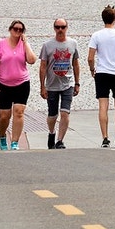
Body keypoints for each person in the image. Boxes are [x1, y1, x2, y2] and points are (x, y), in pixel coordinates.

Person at [87, 5, 115, 147]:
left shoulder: (96, 35)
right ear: (114, 19)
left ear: (103, 19)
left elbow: (90, 57)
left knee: (103, 105)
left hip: (102, 72)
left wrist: (92, 69)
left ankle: (105, 138)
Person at [0, 20, 35, 151]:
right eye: (15, 29)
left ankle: (15, 142)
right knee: (4, 116)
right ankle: (2, 135)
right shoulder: (1, 44)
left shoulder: (23, 45)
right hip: (4, 85)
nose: (18, 32)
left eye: (21, 30)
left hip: (22, 84)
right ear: (10, 29)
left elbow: (32, 60)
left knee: (19, 112)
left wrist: (25, 43)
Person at [38, 17, 80, 150]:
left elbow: (76, 64)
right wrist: (42, 86)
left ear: (67, 28)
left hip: (68, 84)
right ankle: (52, 132)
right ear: (54, 28)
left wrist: (77, 83)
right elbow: (43, 66)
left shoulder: (73, 43)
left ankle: (60, 140)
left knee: (65, 112)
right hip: (52, 85)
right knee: (52, 115)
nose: (60, 30)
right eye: (57, 27)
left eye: (63, 27)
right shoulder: (47, 45)